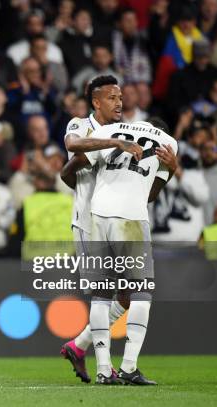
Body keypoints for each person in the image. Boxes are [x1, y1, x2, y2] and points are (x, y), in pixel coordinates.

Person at [65, 118, 178, 385]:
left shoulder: (108, 131)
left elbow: (71, 167)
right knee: (141, 293)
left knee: (101, 296)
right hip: (131, 219)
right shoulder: (168, 142)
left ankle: (104, 370)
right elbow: (151, 194)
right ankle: (129, 367)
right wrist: (171, 169)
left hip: (96, 216)